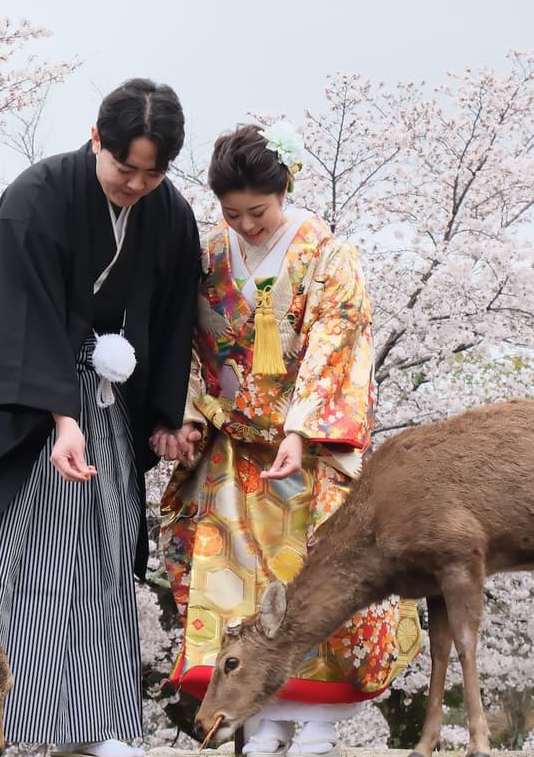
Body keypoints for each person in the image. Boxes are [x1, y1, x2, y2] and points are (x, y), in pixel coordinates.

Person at [0, 80, 202, 757]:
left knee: (100, 564)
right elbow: (15, 312)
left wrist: (165, 415)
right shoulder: (37, 196)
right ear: (96, 138)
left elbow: (170, 320)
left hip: (105, 411)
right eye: (124, 166)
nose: (136, 182)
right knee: (1, 563)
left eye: (153, 171)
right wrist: (59, 415)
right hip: (26, 417)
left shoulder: (169, 214)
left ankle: (99, 724)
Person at [156, 123, 422, 757]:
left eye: (259, 211)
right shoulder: (209, 253)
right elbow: (187, 343)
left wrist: (302, 430)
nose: (246, 225)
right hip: (234, 443)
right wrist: (191, 413)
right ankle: (262, 714)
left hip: (309, 447)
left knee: (319, 579)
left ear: (286, 191)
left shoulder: (329, 256)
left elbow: (338, 344)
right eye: (232, 212)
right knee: (239, 581)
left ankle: (321, 723)